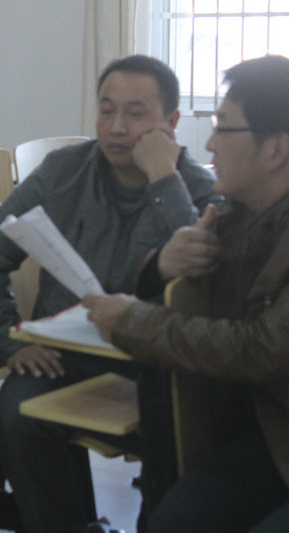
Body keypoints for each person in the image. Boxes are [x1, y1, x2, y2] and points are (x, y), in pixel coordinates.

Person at [0, 55, 221, 533]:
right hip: (67, 355)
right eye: (106, 110)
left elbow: (202, 283)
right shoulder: (64, 171)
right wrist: (8, 338)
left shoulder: (201, 189)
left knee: (179, 432)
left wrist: (164, 179)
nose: (117, 127)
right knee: (16, 418)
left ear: (171, 122)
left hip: (156, 362)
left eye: (136, 113)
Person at [83, 55, 289, 533]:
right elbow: (194, 301)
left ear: (277, 149)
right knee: (174, 521)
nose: (210, 144)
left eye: (223, 129)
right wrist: (164, 263)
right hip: (269, 432)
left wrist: (131, 321)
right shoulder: (240, 213)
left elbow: (259, 349)